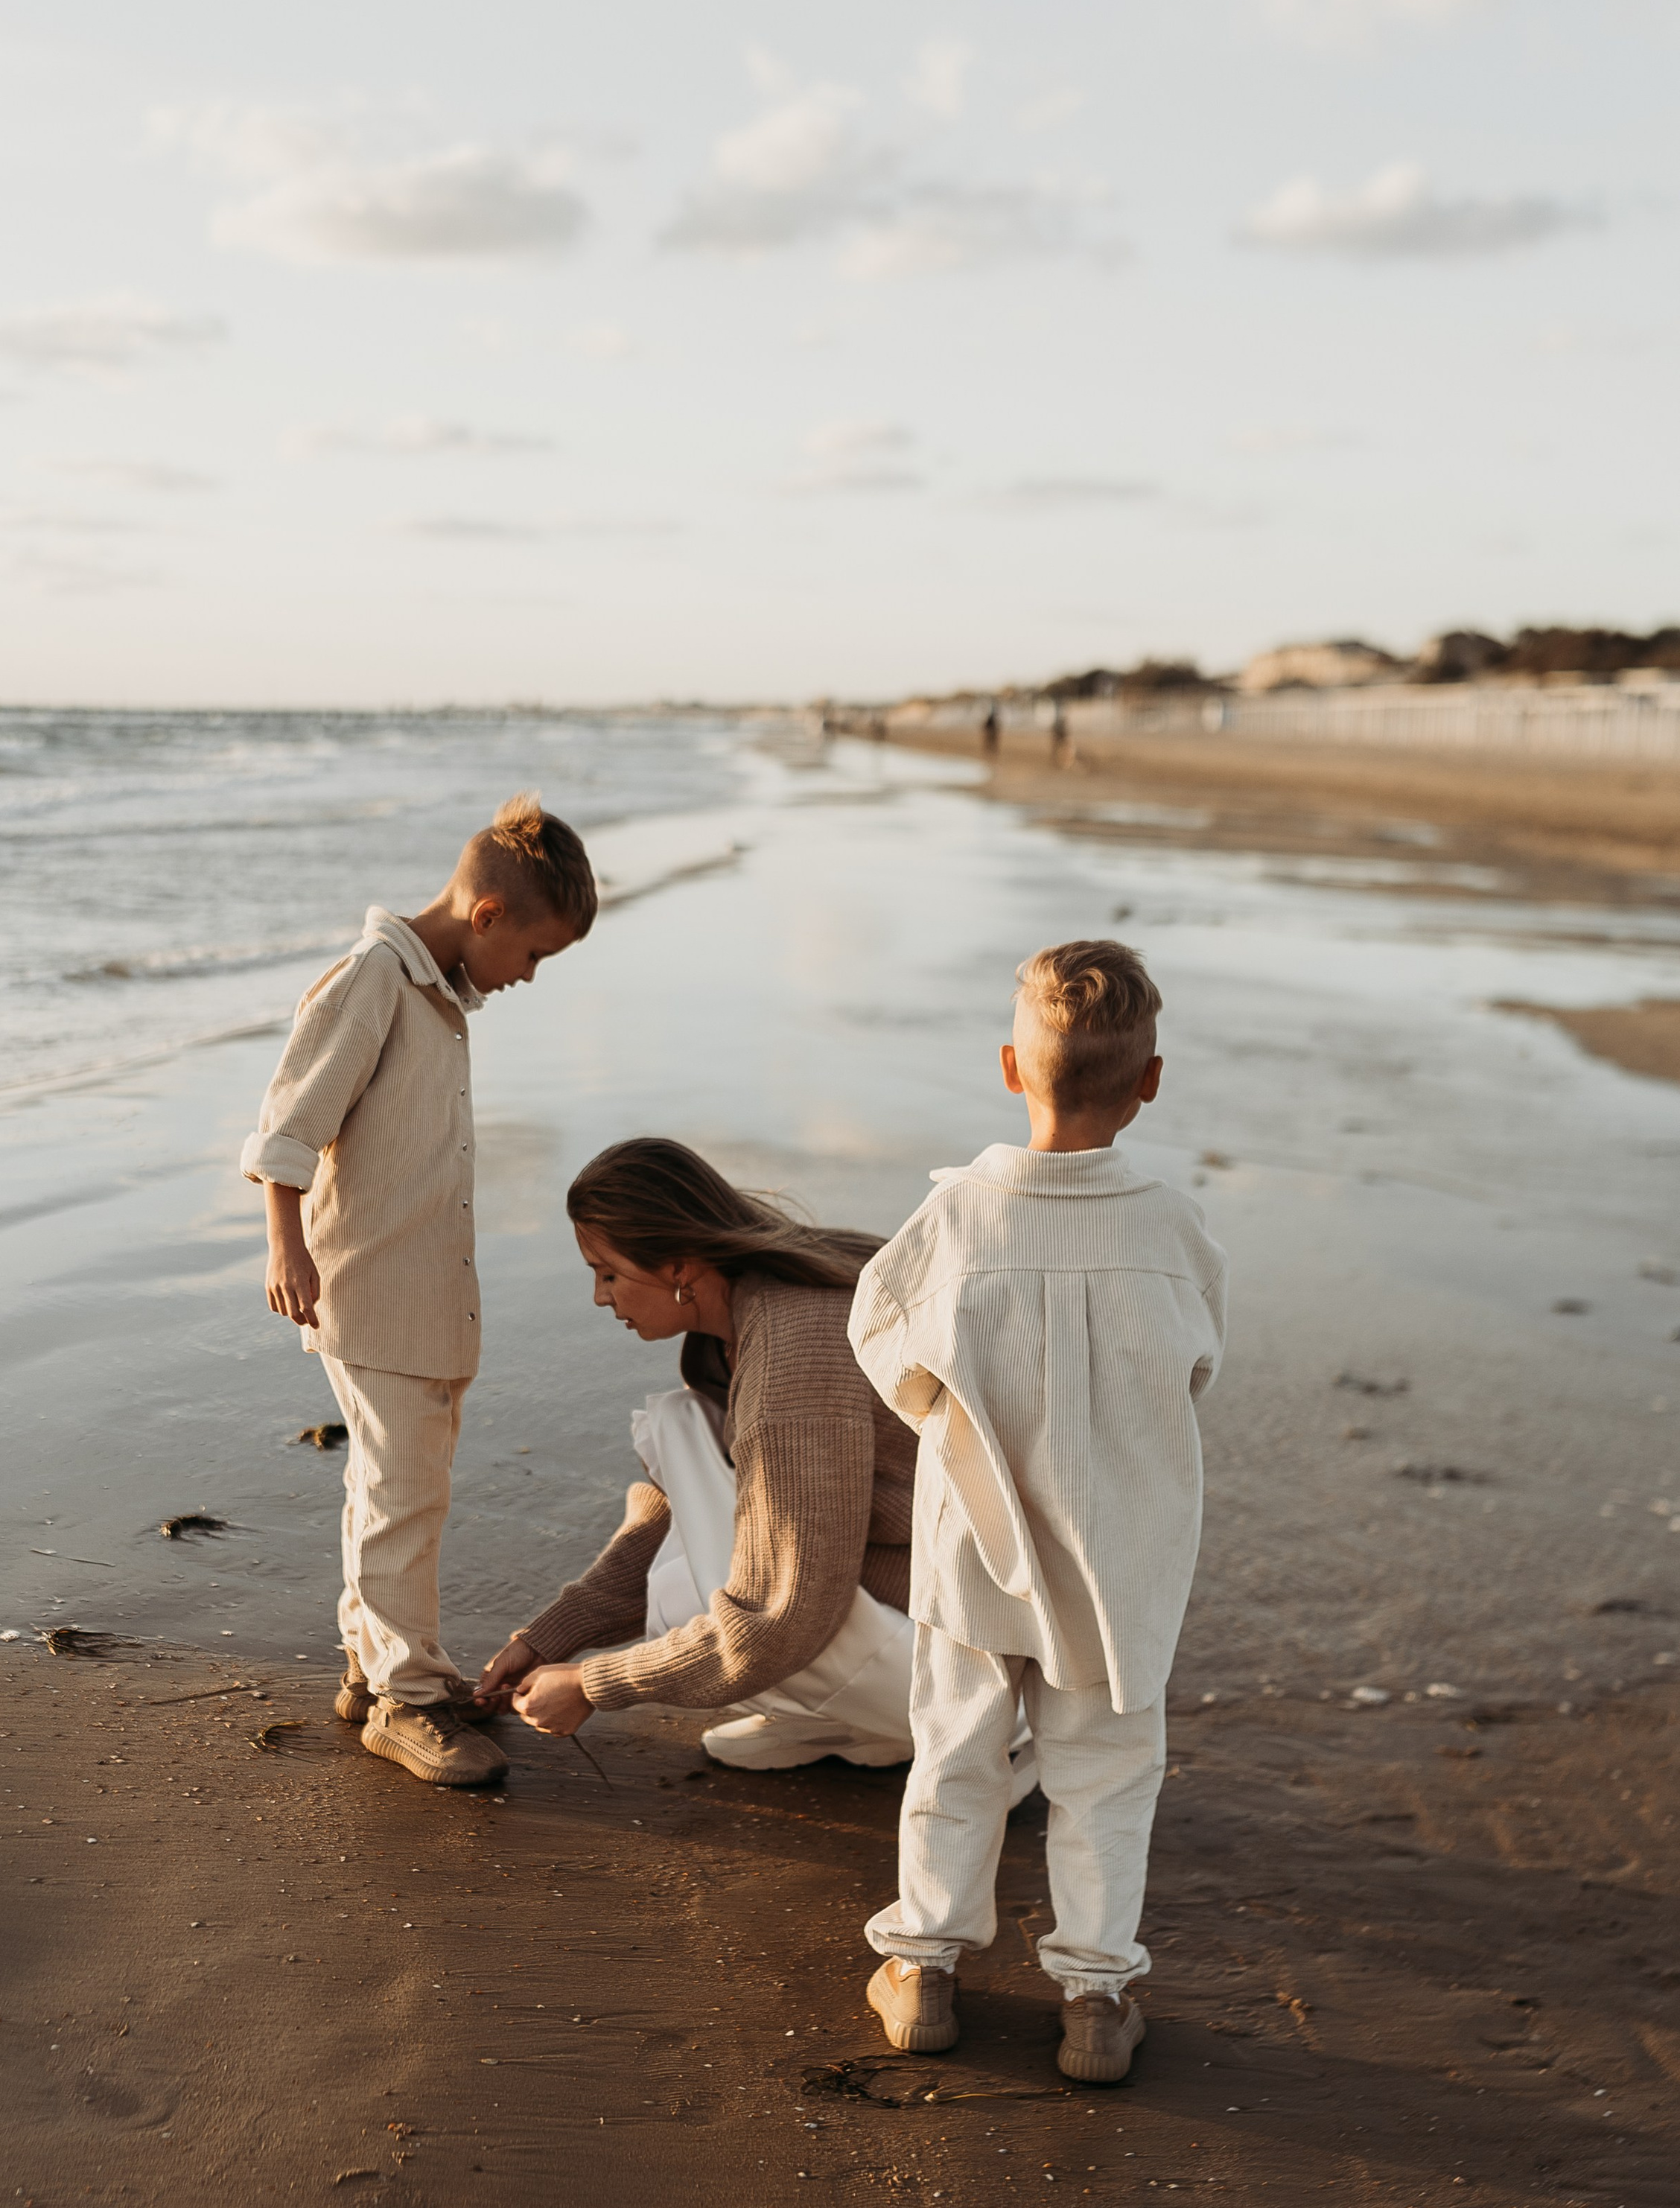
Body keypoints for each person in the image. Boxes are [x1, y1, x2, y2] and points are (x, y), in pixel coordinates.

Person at [848, 941, 1226, 2084]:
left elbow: (878, 1339)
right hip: (1123, 1549)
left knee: (957, 1751)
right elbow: (1198, 1365)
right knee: (1108, 1771)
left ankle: (923, 1972)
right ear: (1150, 1083)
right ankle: (1097, 1998)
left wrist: (950, 1416)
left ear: (1012, 1065)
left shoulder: (957, 1217)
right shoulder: (1173, 1228)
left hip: (977, 1541)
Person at [242, 793, 598, 1789]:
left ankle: (374, 1665)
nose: (526, 978)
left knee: (398, 1489)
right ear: (487, 915)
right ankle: (404, 1701)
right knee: (403, 1492)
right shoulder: (373, 982)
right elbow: (289, 1122)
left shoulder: (437, 994)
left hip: (421, 1291)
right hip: (367, 1286)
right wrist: (284, 1247)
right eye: (533, 955)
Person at [475, 1139, 932, 1772]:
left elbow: (782, 1618)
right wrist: (552, 1635)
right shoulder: (744, 1319)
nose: (601, 1298)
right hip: (919, 1572)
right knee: (684, 1433)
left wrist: (592, 1685)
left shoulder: (791, 1361)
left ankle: (985, 1734)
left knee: (707, 1596)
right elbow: (680, 1515)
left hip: (973, 1615)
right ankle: (852, 1721)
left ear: (680, 1269)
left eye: (608, 1273)